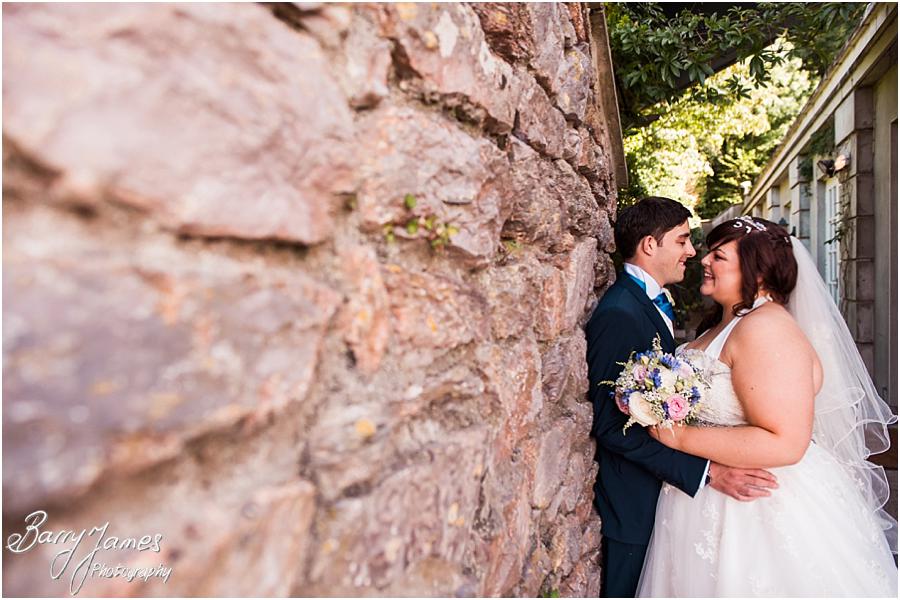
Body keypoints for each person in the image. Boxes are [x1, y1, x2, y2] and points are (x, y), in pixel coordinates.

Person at [637, 216, 898, 597]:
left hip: (755, 510)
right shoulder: (725, 325)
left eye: (719, 256)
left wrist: (673, 435)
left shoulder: (766, 329)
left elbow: (785, 442)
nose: (704, 261)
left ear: (757, 273)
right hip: (706, 501)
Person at [585, 198, 778, 598]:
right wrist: (707, 473)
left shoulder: (652, 303)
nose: (692, 252)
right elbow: (610, 425)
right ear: (650, 245)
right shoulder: (620, 313)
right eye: (683, 240)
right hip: (633, 505)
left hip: (667, 497)